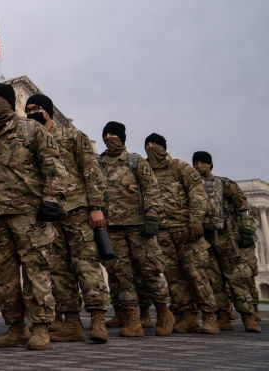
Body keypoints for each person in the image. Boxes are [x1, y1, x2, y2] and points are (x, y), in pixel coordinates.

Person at [0, 81, 67, 352]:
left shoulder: (32, 130)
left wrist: (52, 199)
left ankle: (41, 327)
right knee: (2, 276)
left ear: (10, 100)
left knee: (36, 273)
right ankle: (15, 326)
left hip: (30, 216)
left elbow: (54, 167)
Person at [23, 94, 110, 344]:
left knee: (86, 265)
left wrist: (96, 206)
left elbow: (92, 171)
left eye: (36, 109)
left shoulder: (73, 136)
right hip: (50, 215)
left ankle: (97, 319)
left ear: (48, 111)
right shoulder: (30, 140)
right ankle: (71, 321)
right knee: (59, 270)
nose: (30, 113)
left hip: (78, 210)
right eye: (27, 109)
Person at [97, 122, 173, 337]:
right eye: (107, 134)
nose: (109, 137)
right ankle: (132, 319)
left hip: (139, 227)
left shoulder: (135, 161)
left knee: (149, 271)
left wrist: (151, 216)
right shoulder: (99, 163)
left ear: (122, 137)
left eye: (114, 134)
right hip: (112, 228)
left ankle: (163, 311)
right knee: (122, 275)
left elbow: (151, 188)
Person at [143, 133, 217, 335]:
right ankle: (188, 316)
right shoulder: (144, 171)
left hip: (186, 228)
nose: (151, 147)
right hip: (162, 232)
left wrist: (196, 219)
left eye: (155, 144)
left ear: (164, 148)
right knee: (174, 277)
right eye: (147, 144)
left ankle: (209, 316)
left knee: (196, 273)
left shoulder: (179, 167)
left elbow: (196, 192)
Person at [191, 151, 261, 333]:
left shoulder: (225, 184)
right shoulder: (192, 186)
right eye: (196, 163)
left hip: (226, 238)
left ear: (211, 164)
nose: (198, 166)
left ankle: (248, 317)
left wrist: (246, 230)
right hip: (204, 239)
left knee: (237, 279)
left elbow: (243, 207)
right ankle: (222, 317)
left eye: (202, 162)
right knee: (214, 281)